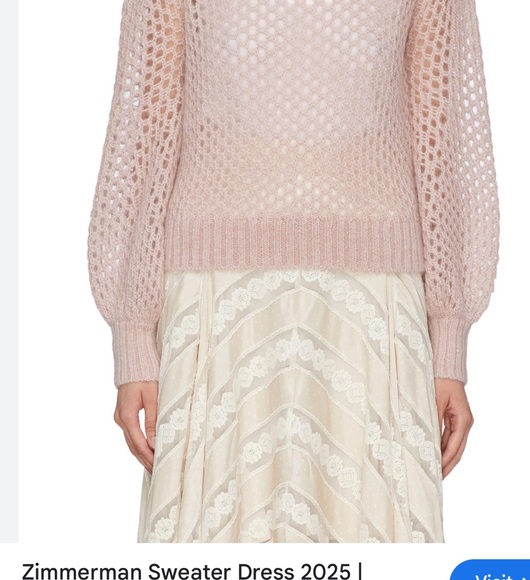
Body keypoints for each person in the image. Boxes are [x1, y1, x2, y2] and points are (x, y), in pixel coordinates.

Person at [87, 0, 499, 543]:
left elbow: (440, 136)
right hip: (215, 298)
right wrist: (133, 334)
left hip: (371, 305)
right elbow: (148, 130)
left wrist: (449, 342)